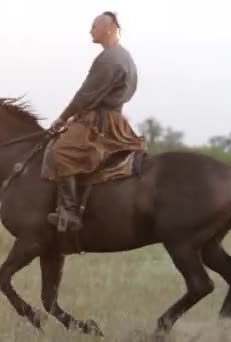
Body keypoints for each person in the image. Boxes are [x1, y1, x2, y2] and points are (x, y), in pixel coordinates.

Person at [43, 11, 146, 231]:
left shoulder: (109, 58)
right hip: (115, 118)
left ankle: (69, 211)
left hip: (100, 121)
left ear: (108, 28)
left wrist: (63, 117)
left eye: (94, 27)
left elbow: (85, 96)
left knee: (59, 152)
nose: (90, 31)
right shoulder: (124, 56)